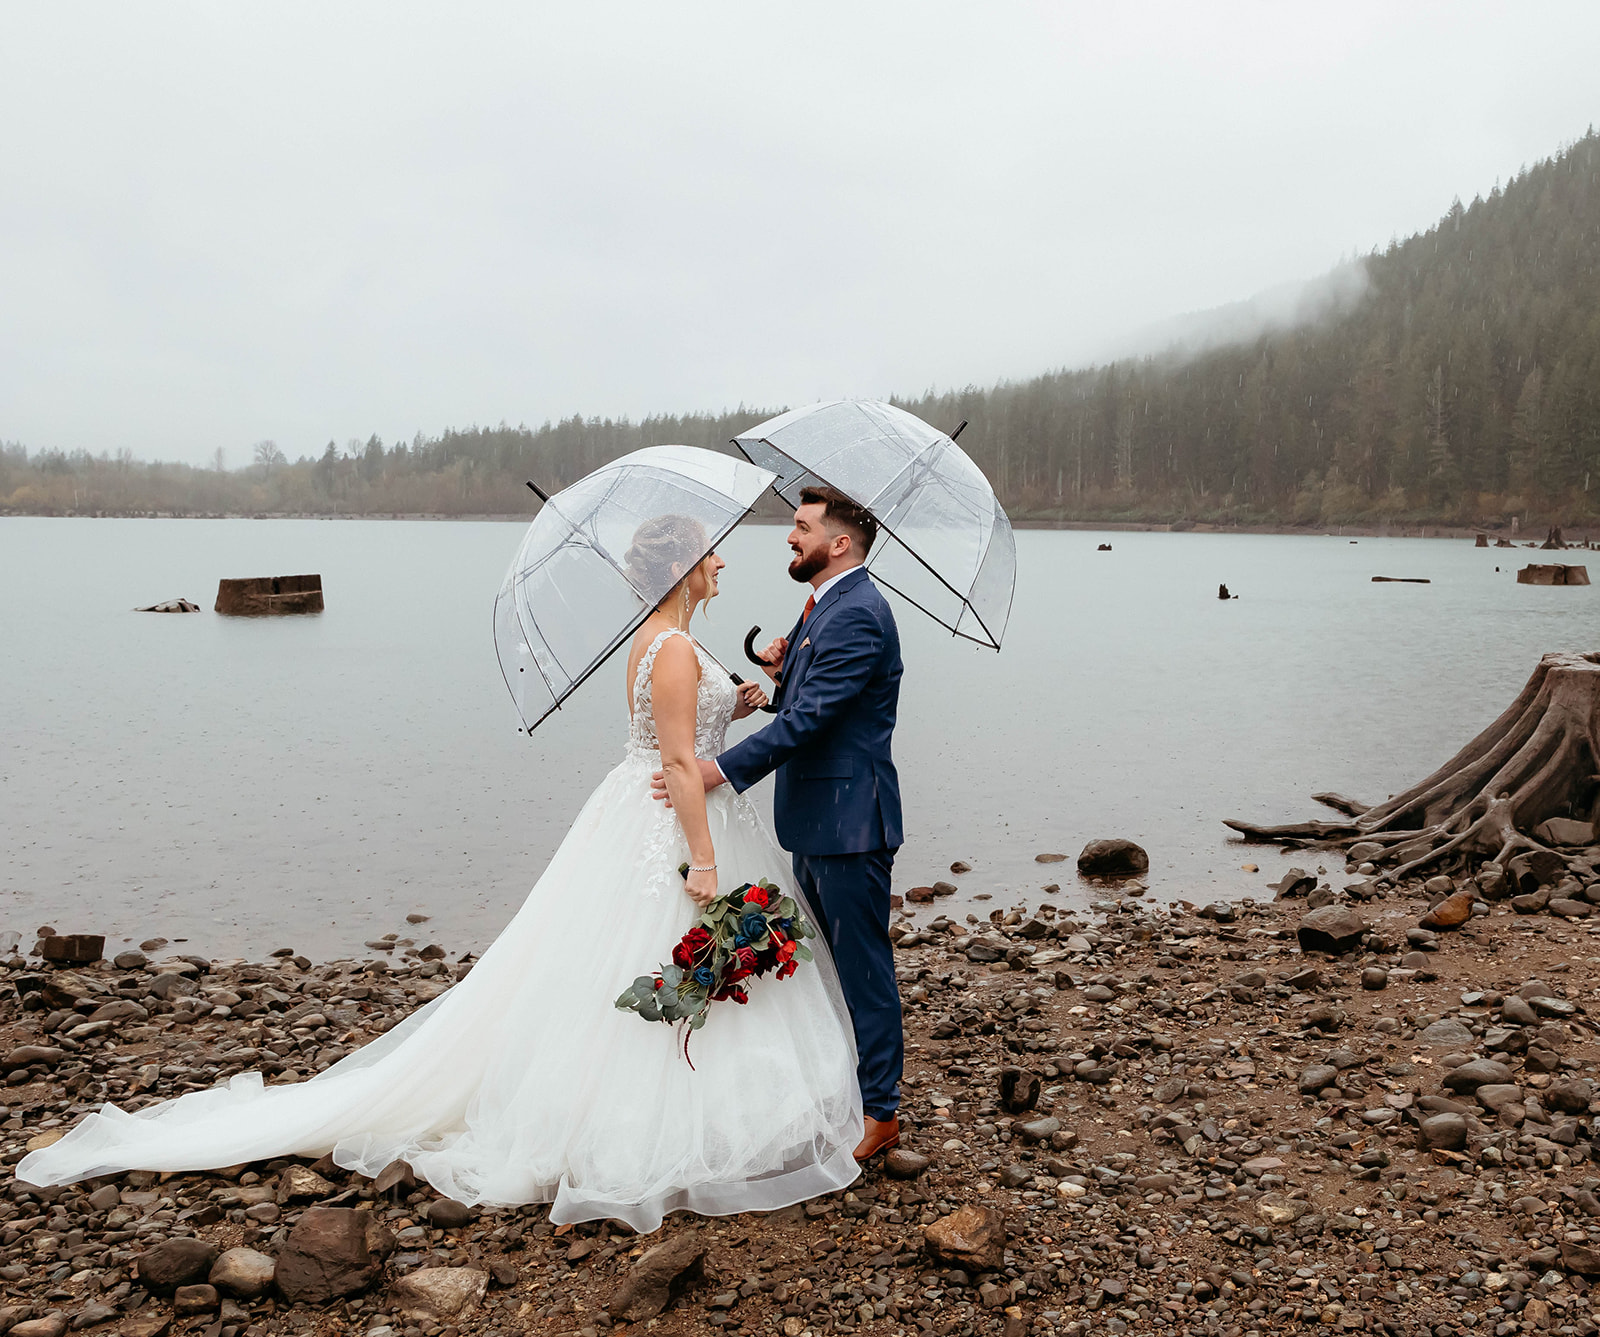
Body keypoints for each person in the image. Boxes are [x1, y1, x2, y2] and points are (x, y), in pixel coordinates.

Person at [19, 516, 864, 1233]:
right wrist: (705, 865)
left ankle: (686, 1101)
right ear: (685, 564)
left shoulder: (667, 638)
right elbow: (681, 763)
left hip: (644, 808)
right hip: (672, 822)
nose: (724, 560)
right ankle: (655, 1122)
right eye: (713, 551)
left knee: (617, 964)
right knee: (663, 954)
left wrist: (751, 695)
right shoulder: (674, 646)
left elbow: (688, 725)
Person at [652, 486, 904, 1161]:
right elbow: (813, 703)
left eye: (800, 527)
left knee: (863, 966)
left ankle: (881, 1111)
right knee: (826, 964)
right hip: (815, 818)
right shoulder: (827, 605)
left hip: (853, 822)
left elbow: (811, 720)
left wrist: (716, 770)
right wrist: (783, 670)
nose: (789, 538)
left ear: (839, 542)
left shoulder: (859, 612)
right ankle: (848, 1086)